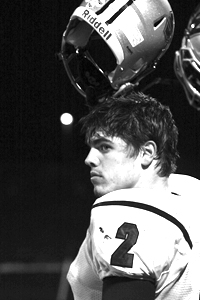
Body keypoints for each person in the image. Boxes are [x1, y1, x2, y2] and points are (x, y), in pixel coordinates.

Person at [66, 90, 200, 300]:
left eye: (104, 147)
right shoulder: (189, 193)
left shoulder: (129, 211)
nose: (89, 159)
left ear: (147, 153)